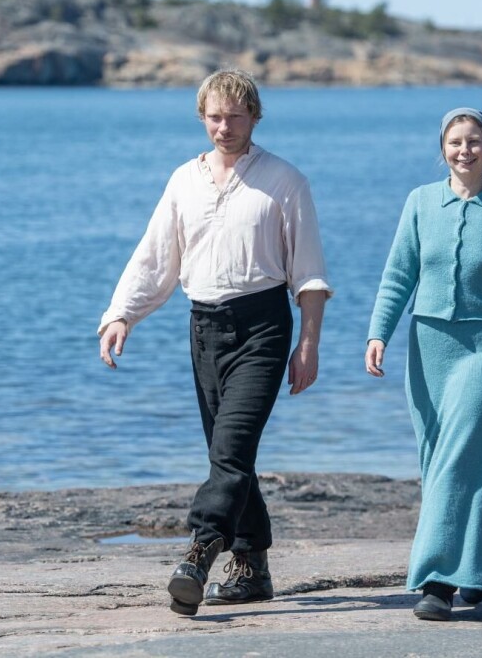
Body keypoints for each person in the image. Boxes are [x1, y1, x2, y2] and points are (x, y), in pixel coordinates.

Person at [98, 69, 331, 617]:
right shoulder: (184, 180)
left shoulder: (284, 181)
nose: (224, 127)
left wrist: (309, 344)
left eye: (235, 116)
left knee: (229, 451)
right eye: (214, 116)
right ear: (203, 117)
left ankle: (200, 552)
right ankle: (252, 568)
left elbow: (310, 274)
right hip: (204, 328)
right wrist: (121, 315)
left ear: (255, 116)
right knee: (232, 456)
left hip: (264, 328)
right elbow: (156, 256)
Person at [364, 107, 482, 621]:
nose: (464, 150)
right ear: (441, 149)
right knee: (443, 461)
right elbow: (398, 274)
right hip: (427, 349)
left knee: (457, 457)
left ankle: (439, 580)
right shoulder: (420, 202)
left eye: (474, 141)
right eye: (454, 142)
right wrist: (378, 332)